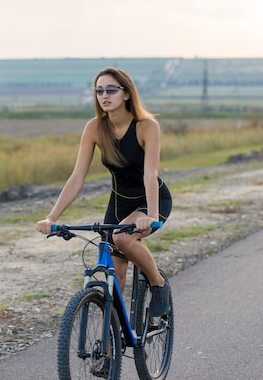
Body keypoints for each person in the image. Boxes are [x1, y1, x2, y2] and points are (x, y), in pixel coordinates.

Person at [36, 66, 172, 317]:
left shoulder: (146, 126)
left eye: (111, 89)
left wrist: (151, 216)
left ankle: (158, 283)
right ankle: (110, 350)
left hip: (151, 199)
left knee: (121, 238)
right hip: (119, 203)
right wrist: (51, 217)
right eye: (99, 91)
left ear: (127, 94)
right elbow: (77, 177)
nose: (104, 95)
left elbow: (149, 174)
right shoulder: (95, 128)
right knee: (114, 279)